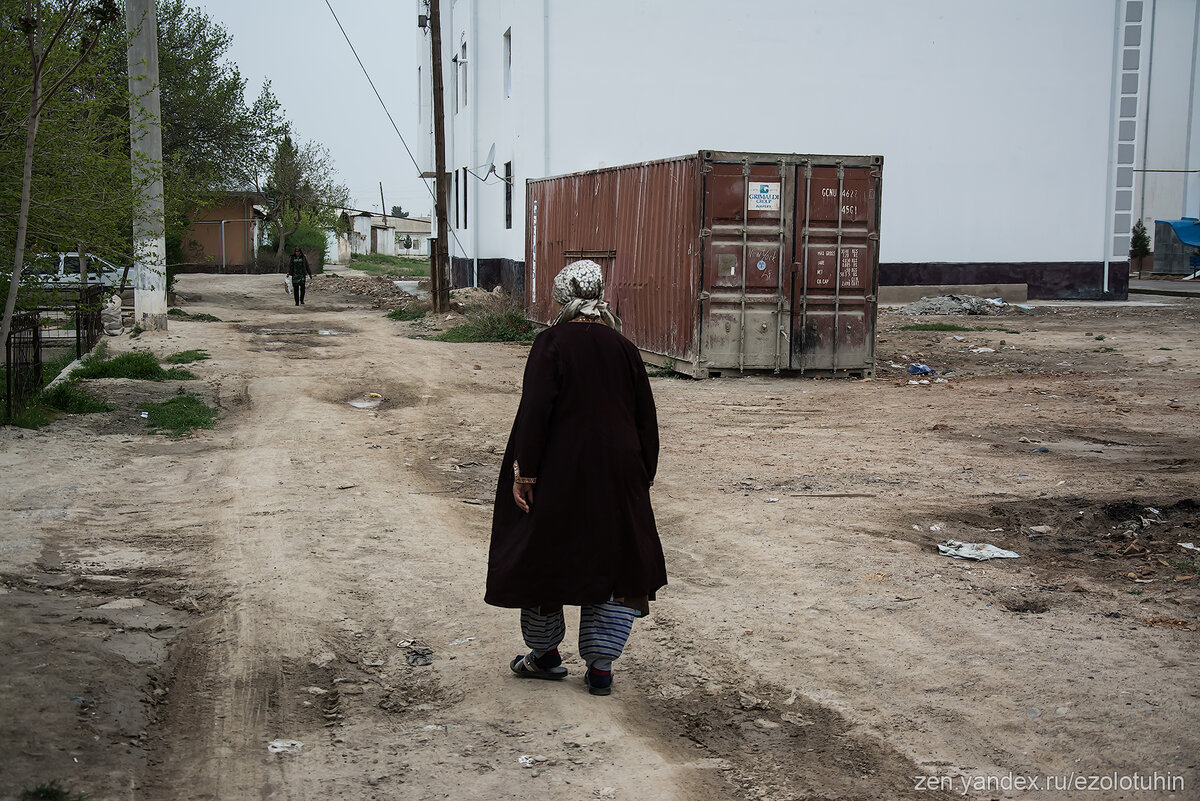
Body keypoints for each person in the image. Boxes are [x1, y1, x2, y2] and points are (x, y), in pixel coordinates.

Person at [486, 259, 666, 696]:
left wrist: (524, 473)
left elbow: (535, 412)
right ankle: (601, 667)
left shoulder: (551, 343)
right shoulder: (624, 348)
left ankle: (545, 655)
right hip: (618, 473)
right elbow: (646, 417)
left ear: (562, 296)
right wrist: (642, 475)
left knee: (541, 554)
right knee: (612, 557)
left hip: (559, 472)